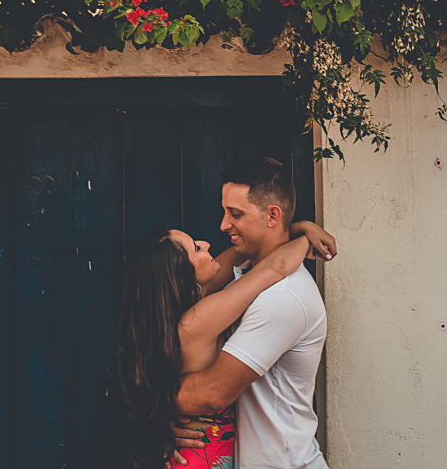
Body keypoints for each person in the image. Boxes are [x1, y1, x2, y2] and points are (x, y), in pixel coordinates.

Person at [114, 161, 336, 469]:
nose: (221, 227)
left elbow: (213, 393)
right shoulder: (224, 293)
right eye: (196, 249)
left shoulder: (282, 297)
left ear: (273, 216)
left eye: (236, 213)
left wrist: (152, 407)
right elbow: (272, 265)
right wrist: (300, 233)